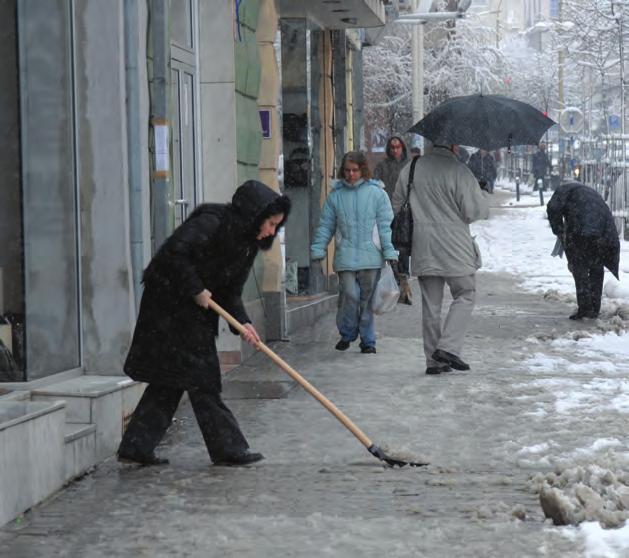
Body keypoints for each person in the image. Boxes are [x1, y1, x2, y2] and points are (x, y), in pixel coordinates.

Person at [117, 180, 290, 466]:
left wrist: (243, 324)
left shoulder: (246, 245)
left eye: (276, 226)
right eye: (270, 223)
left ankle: (136, 446)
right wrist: (196, 288)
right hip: (168, 307)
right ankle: (227, 449)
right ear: (255, 214)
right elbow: (174, 254)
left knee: (170, 379)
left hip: (192, 312)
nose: (271, 231)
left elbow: (230, 292)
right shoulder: (213, 222)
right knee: (203, 377)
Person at [392, 144, 489, 375]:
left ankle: (434, 362)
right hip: (455, 245)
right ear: (454, 145)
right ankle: (448, 348)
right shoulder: (460, 171)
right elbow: (473, 212)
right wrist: (480, 191)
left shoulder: (412, 168)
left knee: (431, 305)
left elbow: (396, 205)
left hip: (423, 245)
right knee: (465, 294)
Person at [311, 151, 398, 354]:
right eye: (347, 170)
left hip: (371, 255)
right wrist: (319, 248)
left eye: (355, 170)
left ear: (363, 170)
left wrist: (389, 251)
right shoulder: (336, 196)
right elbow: (326, 226)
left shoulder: (377, 194)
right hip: (346, 255)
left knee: (366, 301)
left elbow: (385, 226)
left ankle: (368, 341)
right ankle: (347, 332)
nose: (350, 174)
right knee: (350, 295)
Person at [546, 181, 619, 320]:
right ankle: (594, 308)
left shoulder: (561, 194)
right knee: (596, 268)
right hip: (603, 232)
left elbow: (552, 209)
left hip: (584, 230)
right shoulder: (585, 193)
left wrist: (559, 230)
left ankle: (585, 309)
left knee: (579, 268)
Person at [373, 136, 413, 304]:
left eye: (397, 147)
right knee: (390, 246)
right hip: (386, 212)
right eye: (392, 147)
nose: (395, 150)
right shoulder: (382, 166)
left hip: (406, 212)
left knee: (403, 247)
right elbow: (375, 186)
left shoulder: (410, 165)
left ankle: (403, 282)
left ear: (403, 148)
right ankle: (393, 281)